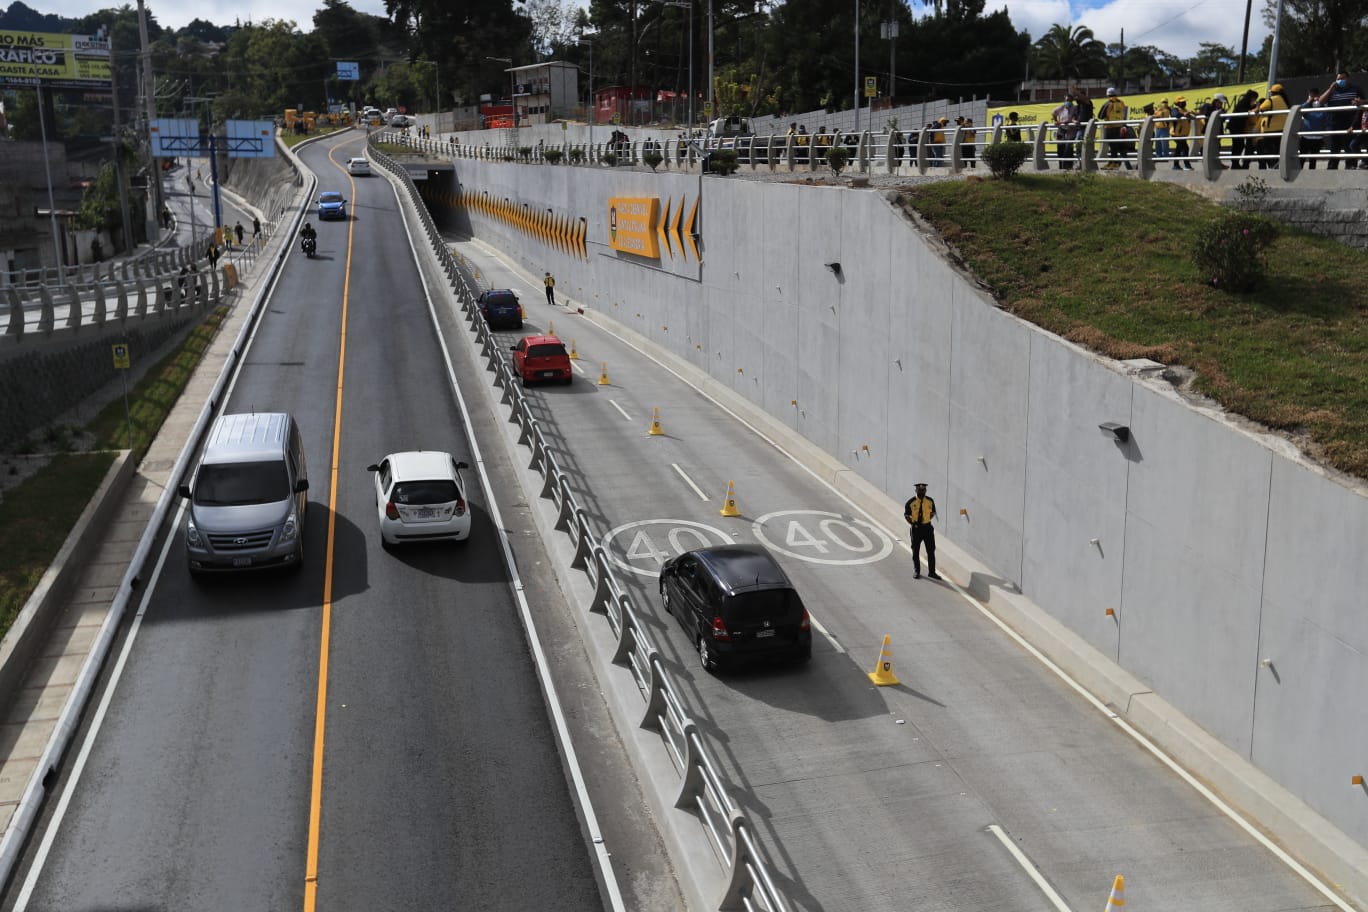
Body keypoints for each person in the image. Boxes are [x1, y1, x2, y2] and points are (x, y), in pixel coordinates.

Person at [1317, 71, 1365, 169]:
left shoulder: (1355, 89)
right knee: (1335, 147)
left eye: (1343, 78)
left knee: (1349, 147)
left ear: (1348, 78)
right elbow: (1320, 101)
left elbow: (1364, 102)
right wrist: (1330, 89)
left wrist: (1359, 102)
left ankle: (1350, 167)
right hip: (1334, 124)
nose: (1340, 81)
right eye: (1338, 79)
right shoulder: (1332, 90)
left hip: (1350, 124)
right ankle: (1332, 168)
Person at [904, 483, 940, 580]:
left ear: (925, 491)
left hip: (927, 528)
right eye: (919, 490)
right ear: (915, 491)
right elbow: (907, 516)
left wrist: (925, 520)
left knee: (931, 551)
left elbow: (932, 513)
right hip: (916, 529)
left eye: (923, 490)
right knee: (915, 551)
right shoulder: (910, 502)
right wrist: (913, 524)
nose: (921, 492)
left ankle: (932, 572)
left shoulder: (930, 501)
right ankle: (917, 571)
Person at [1253, 86, 1288, 170]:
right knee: (1277, 150)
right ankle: (1276, 166)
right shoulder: (1285, 101)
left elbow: (1259, 109)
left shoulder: (1271, 100)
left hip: (1270, 130)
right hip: (1282, 130)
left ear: (1273, 92)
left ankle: (1273, 166)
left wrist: (1253, 110)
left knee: (1268, 150)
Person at [1098, 87, 1131, 169]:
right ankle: (1116, 163)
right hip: (1120, 126)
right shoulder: (1121, 102)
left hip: (1110, 127)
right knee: (1119, 146)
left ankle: (1114, 163)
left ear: (1107, 94)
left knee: (1112, 146)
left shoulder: (1108, 103)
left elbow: (1100, 116)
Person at [1228, 89, 1260, 168]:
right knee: (1238, 145)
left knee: (1239, 145)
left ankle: (1235, 163)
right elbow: (1246, 112)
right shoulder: (1243, 103)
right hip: (1235, 126)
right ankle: (1234, 164)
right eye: (1255, 98)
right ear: (1252, 97)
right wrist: (1256, 108)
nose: (1255, 100)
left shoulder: (1246, 103)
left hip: (1238, 127)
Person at [1170, 96, 1195, 170]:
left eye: (1184, 101)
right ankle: (1187, 165)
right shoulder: (1175, 109)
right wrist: (1184, 114)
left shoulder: (1185, 110)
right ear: (1177, 103)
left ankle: (1176, 165)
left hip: (1182, 134)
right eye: (1182, 102)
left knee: (1179, 149)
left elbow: (1190, 116)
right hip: (1176, 134)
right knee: (1185, 148)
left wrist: (1191, 115)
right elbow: (1176, 115)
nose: (1184, 103)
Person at [1052, 95, 1077, 169]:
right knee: (1060, 148)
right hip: (1061, 129)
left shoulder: (1075, 108)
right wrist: (1056, 121)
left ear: (1072, 101)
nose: (1068, 102)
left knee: (1069, 148)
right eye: (1067, 100)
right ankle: (1061, 166)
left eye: (1069, 100)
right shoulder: (1061, 107)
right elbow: (1053, 113)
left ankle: (1069, 166)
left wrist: (1067, 121)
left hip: (1070, 130)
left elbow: (1073, 118)